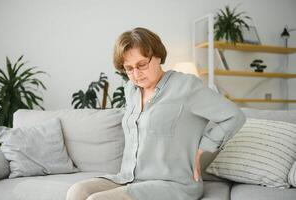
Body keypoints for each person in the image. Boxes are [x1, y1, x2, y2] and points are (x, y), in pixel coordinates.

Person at [66, 27, 246, 200]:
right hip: (130, 178)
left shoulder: (185, 86)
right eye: (129, 68)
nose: (136, 74)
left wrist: (202, 150)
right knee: (77, 192)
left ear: (158, 57)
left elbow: (233, 115)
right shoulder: (130, 90)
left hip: (173, 183)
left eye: (141, 64)